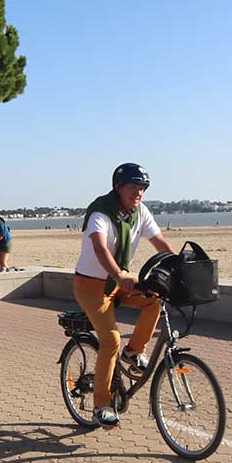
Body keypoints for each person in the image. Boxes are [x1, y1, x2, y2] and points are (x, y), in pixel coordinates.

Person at [74, 163, 176, 429]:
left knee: (154, 299)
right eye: (133, 187)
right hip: (92, 285)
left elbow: (159, 241)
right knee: (110, 340)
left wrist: (178, 267)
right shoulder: (101, 211)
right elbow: (99, 247)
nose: (139, 192)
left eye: (143, 188)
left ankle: (133, 353)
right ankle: (101, 406)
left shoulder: (139, 211)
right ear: (118, 187)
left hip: (119, 281)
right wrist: (119, 275)